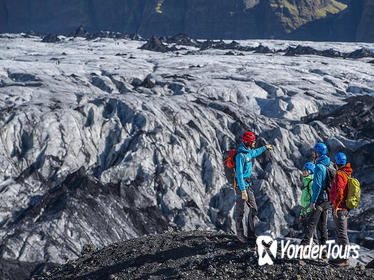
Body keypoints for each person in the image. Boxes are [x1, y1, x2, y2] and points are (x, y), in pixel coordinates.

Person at [234, 131, 272, 245]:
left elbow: (255, 152)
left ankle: (251, 234)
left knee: (254, 209)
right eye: (253, 141)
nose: (254, 142)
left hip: (248, 185)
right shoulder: (240, 156)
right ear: (248, 142)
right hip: (241, 187)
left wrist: (265, 147)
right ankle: (240, 234)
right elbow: (239, 175)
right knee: (240, 210)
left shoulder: (249, 152)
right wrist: (243, 190)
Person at [301, 143, 330, 250]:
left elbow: (317, 185)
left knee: (312, 224)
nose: (313, 153)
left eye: (314, 152)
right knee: (323, 226)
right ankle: (323, 251)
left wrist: (313, 201)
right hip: (327, 200)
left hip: (320, 199)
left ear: (318, 153)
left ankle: (303, 247)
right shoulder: (328, 164)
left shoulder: (318, 166)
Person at [329, 152, 351, 266]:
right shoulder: (346, 174)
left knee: (342, 234)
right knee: (339, 233)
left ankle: (345, 259)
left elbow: (340, 192)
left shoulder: (340, 175)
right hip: (343, 207)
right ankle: (340, 257)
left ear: (336, 162)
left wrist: (336, 207)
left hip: (340, 208)